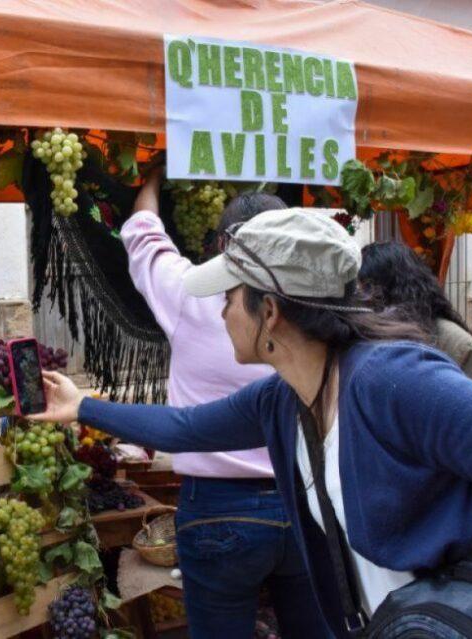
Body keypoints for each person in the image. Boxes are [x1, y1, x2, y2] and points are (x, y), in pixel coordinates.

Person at [32, 208, 472, 638]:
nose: (221, 312)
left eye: (229, 297)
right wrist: (82, 407)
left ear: (269, 310)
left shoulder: (395, 382)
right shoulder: (286, 397)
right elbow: (186, 429)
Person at [121, 169, 325, 638]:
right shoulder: (317, 309)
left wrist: (154, 178)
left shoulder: (192, 293)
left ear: (219, 248)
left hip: (217, 507)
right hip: (305, 500)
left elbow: (143, 235)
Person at [359, 241, 472, 394]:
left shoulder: (457, 344)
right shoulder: (367, 341)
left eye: (367, 290)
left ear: (396, 290)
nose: (363, 299)